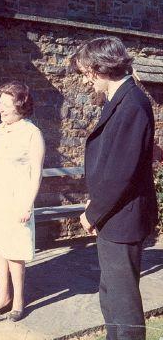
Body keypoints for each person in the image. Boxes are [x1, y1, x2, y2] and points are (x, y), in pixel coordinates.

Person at [69, 36, 158, 340]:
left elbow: (121, 173)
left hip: (123, 218)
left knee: (123, 303)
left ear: (98, 68)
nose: (85, 80)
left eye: (85, 72)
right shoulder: (121, 100)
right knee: (110, 295)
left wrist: (92, 213)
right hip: (114, 216)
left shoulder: (132, 103)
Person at [0, 81, 45, 322]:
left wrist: (27, 204)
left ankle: (18, 300)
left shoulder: (31, 133)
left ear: (20, 105)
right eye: (0, 103)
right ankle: (2, 297)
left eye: (6, 104)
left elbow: (36, 171)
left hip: (17, 199)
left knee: (15, 250)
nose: (0, 107)